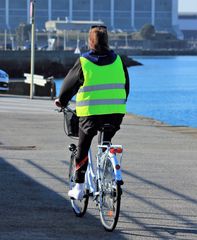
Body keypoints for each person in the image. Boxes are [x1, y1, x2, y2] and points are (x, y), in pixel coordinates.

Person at [55, 25, 130, 200]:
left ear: (90, 42)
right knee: (104, 144)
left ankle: (79, 188)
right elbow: (126, 87)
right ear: (107, 41)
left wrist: (62, 100)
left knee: (83, 146)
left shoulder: (84, 61)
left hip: (90, 114)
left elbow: (68, 86)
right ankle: (106, 176)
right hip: (115, 112)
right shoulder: (119, 60)